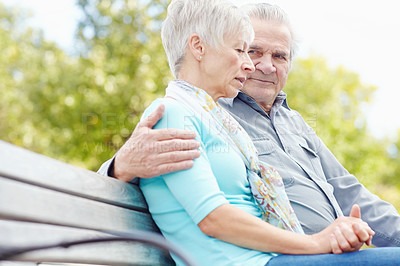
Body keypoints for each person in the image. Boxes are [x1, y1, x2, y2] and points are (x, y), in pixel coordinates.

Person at [99, 1, 400, 265]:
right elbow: (148, 155)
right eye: (249, 50)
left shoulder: (294, 123)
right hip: (288, 252)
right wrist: (119, 165)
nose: (262, 65)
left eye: (280, 56)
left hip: (328, 250)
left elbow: (349, 190)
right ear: (203, 47)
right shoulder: (209, 109)